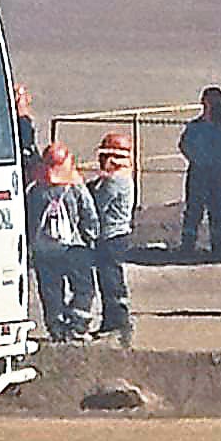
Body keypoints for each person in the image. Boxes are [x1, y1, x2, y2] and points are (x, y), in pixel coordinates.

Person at [27, 141, 96, 338]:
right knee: (83, 287)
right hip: (74, 247)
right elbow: (89, 215)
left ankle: (56, 327)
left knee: (50, 290)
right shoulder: (75, 188)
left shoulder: (35, 191)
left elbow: (29, 219)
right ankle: (77, 324)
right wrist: (90, 240)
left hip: (43, 250)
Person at [80, 128, 140, 347]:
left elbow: (98, 205)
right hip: (116, 235)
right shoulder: (119, 179)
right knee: (109, 278)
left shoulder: (115, 182)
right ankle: (112, 320)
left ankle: (117, 320)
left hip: (111, 237)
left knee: (110, 279)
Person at [177, 88, 221, 259]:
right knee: (193, 212)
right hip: (198, 174)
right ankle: (188, 246)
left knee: (218, 213)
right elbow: (185, 145)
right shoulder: (195, 127)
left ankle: (218, 247)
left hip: (219, 176)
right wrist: (199, 161)